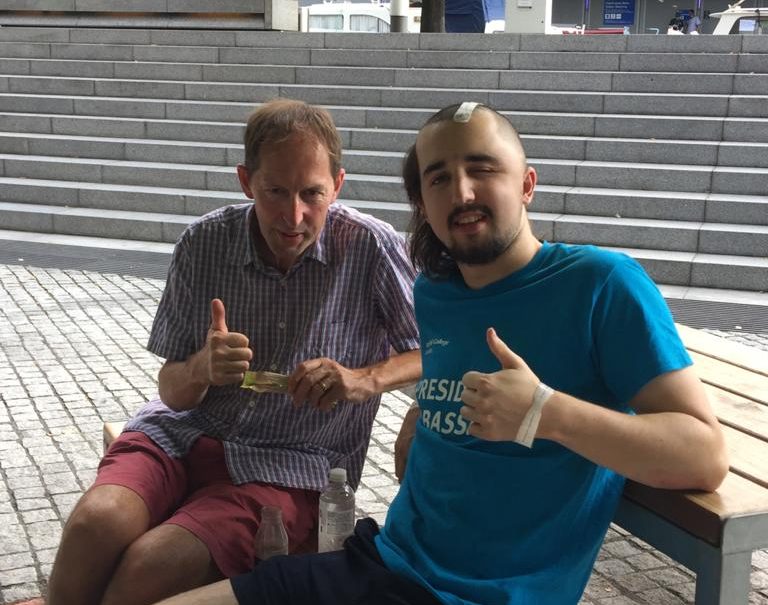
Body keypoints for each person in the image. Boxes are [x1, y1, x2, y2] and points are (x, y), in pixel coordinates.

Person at [153, 102, 728, 605]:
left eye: (482, 169)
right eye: (439, 179)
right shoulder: (435, 293)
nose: (463, 192)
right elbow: (446, 383)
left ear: (527, 183)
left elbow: (702, 455)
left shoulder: (602, 284)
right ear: (422, 204)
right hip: (380, 563)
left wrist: (544, 412)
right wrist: (423, 411)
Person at [47, 98, 421, 605]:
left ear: (338, 184)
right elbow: (172, 391)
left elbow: (427, 351)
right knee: (95, 523)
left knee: (149, 566)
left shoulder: (371, 247)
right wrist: (202, 366)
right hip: (181, 435)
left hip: (290, 462)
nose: (295, 215)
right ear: (247, 182)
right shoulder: (204, 241)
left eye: (312, 193)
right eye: (275, 192)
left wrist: (362, 379)